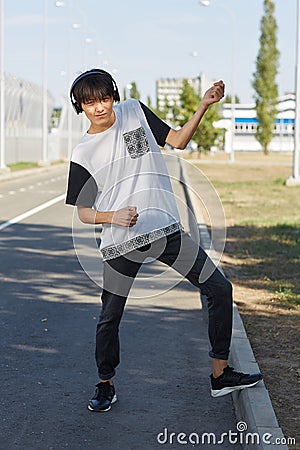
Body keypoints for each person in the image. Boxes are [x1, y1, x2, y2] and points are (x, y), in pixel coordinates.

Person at [65, 68, 262, 412]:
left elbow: (178, 140)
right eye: (90, 102)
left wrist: (203, 106)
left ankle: (220, 374)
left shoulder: (134, 111)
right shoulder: (84, 153)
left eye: (105, 98)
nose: (100, 107)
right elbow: (83, 211)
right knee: (110, 316)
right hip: (121, 241)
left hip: (166, 229)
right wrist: (113, 217)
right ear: (80, 106)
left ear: (114, 96)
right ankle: (105, 382)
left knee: (218, 288)